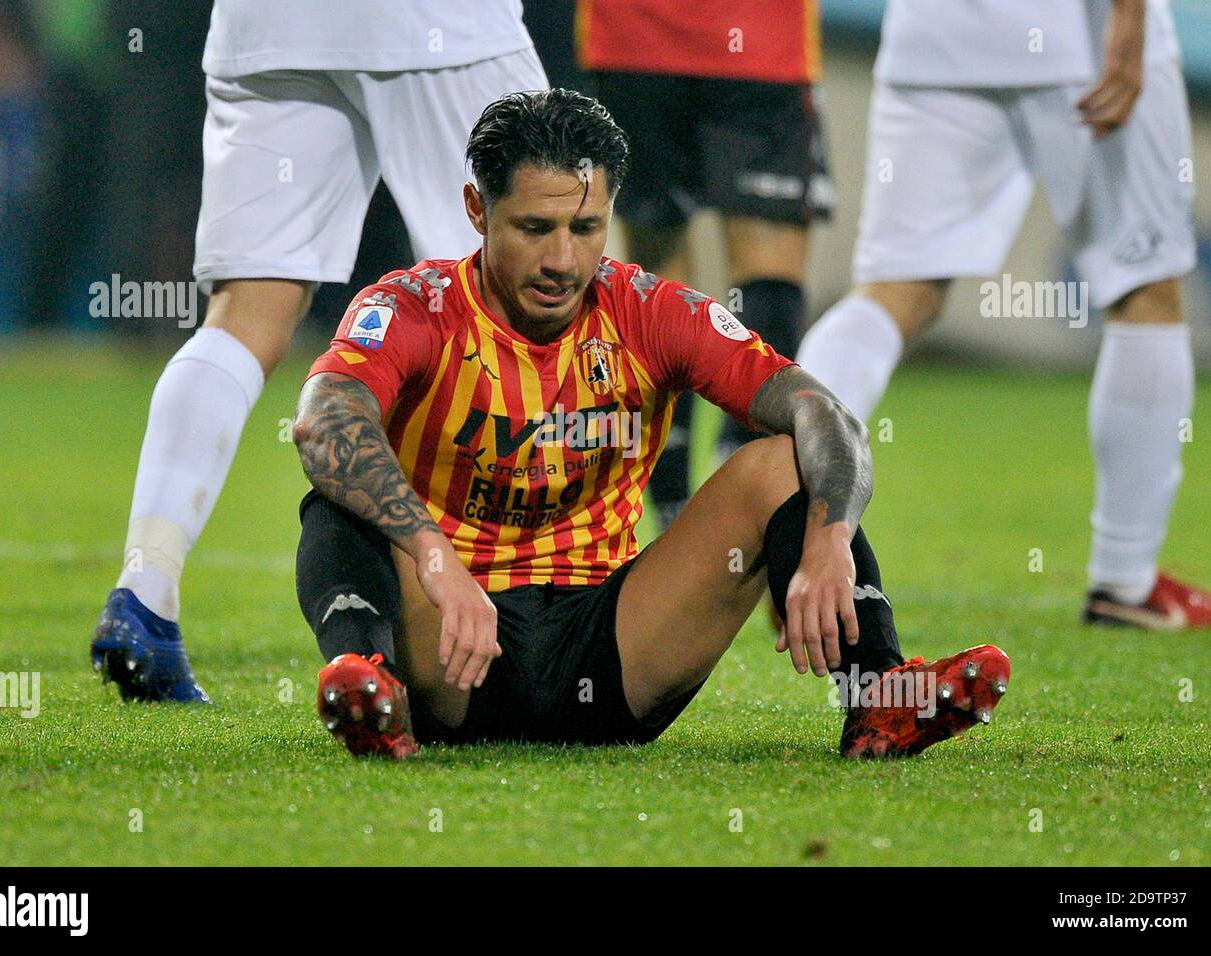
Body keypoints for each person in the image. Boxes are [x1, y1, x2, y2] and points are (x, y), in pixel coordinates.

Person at [291, 89, 1010, 760]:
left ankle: (878, 694)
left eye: (586, 227)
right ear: (477, 210)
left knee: (785, 462)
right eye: (534, 228)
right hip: (448, 652)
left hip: (612, 656)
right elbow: (323, 420)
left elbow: (822, 412)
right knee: (343, 478)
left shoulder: (652, 311)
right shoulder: (416, 306)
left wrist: (828, 536)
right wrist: (434, 557)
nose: (562, 260)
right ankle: (370, 688)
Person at [90, 1, 549, 702]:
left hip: (269, 28)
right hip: (432, 24)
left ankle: (146, 590)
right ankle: (538, 615)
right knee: (534, 289)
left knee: (245, 312)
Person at [797, 0, 1211, 630]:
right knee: (1143, 286)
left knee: (893, 292)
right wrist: (1131, 18)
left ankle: (785, 516)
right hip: (1076, 34)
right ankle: (1126, 579)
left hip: (934, 34)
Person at [579, 0, 834, 529]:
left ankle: (677, 514)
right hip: (755, 41)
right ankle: (748, 502)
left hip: (637, 40)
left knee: (660, 279)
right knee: (767, 275)